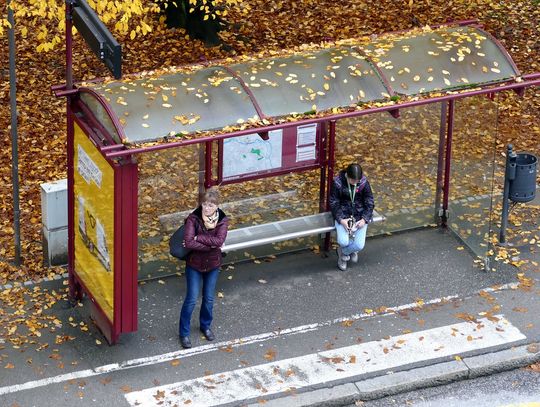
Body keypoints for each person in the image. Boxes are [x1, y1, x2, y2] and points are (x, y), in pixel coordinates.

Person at [179, 188, 228, 349]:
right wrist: (210, 244)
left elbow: (219, 241)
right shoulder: (193, 219)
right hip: (194, 264)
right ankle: (184, 333)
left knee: (208, 299)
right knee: (191, 299)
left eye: (211, 205)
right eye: (205, 204)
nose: (207, 208)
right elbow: (188, 242)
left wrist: (199, 238)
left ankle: (205, 326)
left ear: (217, 206)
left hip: (213, 264)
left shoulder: (222, 220)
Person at [329, 163, 374, 271]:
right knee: (343, 241)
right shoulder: (337, 183)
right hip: (344, 215)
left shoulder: (363, 183)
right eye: (353, 181)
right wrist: (341, 219)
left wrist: (364, 219)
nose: (356, 183)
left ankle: (343, 253)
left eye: (357, 180)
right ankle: (347, 250)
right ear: (347, 176)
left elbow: (369, 202)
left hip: (359, 216)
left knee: (359, 245)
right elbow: (334, 203)